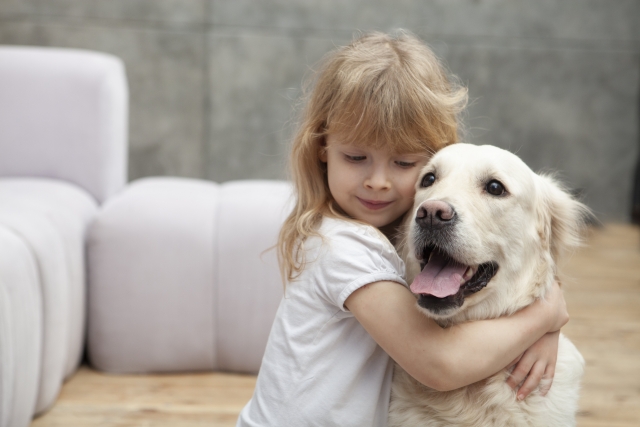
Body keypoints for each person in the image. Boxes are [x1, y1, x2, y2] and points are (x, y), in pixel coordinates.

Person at [236, 31, 568, 427]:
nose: (378, 181)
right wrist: (545, 318)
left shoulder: (393, 227)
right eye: (356, 156)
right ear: (322, 150)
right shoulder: (339, 247)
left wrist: (551, 319)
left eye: (406, 163)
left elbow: (534, 259)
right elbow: (438, 363)